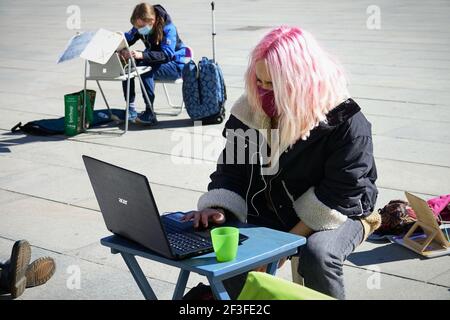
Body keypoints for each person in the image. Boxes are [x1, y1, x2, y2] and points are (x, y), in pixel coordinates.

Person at [183, 26, 381, 300]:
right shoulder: (250, 109)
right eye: (259, 82)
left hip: (344, 210)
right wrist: (218, 208)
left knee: (317, 255)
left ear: (300, 80)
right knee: (231, 251)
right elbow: (232, 170)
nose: (263, 91)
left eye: (272, 84)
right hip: (275, 208)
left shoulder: (346, 121)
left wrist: (282, 250)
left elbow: (341, 194)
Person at [120, 3, 190, 125]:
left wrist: (142, 55)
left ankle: (150, 112)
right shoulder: (141, 25)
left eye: (140, 27)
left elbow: (166, 55)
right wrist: (119, 46)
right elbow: (127, 38)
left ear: (152, 21)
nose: (138, 29)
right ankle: (130, 109)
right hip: (154, 61)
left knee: (145, 71)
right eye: (136, 27)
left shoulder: (169, 28)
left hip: (175, 65)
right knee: (128, 65)